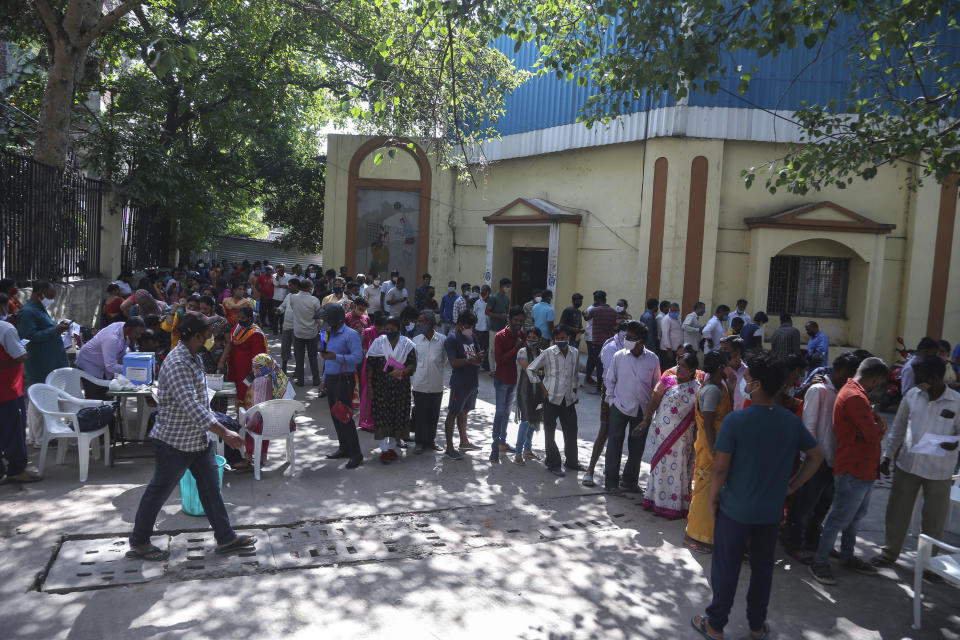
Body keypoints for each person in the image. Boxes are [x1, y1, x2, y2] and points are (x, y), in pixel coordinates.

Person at [692, 352, 823, 640]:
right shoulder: (790, 422)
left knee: (726, 569)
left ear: (758, 384)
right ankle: (756, 626)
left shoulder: (737, 422)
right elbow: (815, 456)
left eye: (748, 380)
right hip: (770, 511)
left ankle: (715, 624)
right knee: (763, 571)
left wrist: (713, 499)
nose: (744, 383)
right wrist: (792, 485)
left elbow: (721, 469)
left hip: (734, 510)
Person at [128, 312, 256, 561]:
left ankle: (226, 537)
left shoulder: (194, 356)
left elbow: (200, 400)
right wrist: (226, 432)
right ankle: (139, 541)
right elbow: (193, 408)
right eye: (208, 334)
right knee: (158, 492)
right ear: (196, 336)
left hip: (197, 440)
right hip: (174, 442)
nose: (212, 338)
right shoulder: (178, 363)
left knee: (211, 489)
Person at [872, 355, 960, 572]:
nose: (916, 380)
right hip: (908, 465)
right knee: (897, 512)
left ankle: (929, 564)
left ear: (935, 377)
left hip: (939, 470)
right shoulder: (912, 395)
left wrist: (956, 443)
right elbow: (899, 428)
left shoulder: (957, 402)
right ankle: (890, 553)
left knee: (933, 519)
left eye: (921, 376)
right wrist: (887, 456)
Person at [808, 357, 889, 585]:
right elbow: (874, 432)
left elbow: (873, 429)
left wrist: (874, 427)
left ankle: (847, 555)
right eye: (878, 382)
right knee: (839, 518)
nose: (877, 387)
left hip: (864, 468)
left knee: (854, 517)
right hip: (853, 467)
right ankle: (820, 561)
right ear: (874, 379)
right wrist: (876, 428)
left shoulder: (855, 393)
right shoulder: (855, 396)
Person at [783, 352, 859, 561]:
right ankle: (795, 542)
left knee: (822, 507)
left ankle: (813, 541)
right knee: (805, 506)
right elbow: (808, 427)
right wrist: (813, 458)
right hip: (816, 460)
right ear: (844, 372)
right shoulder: (819, 390)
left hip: (834, 459)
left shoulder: (842, 392)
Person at [603, 321, 661, 493]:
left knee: (637, 448)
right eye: (626, 337)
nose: (626, 340)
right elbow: (610, 380)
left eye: (631, 338)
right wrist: (611, 400)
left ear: (641, 341)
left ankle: (630, 481)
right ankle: (611, 483)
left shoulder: (652, 359)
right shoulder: (619, 356)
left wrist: (650, 413)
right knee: (614, 444)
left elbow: (656, 385)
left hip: (641, 411)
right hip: (619, 407)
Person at [641, 352, 700, 518]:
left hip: (683, 440)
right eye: (678, 364)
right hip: (662, 435)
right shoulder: (667, 380)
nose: (679, 368)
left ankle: (675, 505)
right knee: (660, 467)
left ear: (692, 370)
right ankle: (654, 500)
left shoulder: (697, 388)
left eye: (683, 366)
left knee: (678, 470)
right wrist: (646, 419)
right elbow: (654, 400)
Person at [685, 350, 733, 554]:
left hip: (717, 445)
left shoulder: (717, 385)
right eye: (728, 364)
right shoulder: (712, 390)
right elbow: (708, 424)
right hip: (711, 447)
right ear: (721, 367)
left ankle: (709, 533)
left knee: (710, 488)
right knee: (706, 490)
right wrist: (714, 452)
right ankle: (698, 536)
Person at [526, 325, 582, 477]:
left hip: (568, 399)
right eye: (557, 339)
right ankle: (553, 463)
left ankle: (571, 461)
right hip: (551, 398)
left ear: (568, 338)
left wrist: (574, 393)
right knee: (549, 432)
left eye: (563, 338)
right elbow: (530, 369)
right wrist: (543, 389)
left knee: (571, 431)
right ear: (553, 339)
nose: (560, 341)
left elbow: (575, 375)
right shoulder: (548, 353)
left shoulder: (575, 353)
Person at [315, 303, 364, 467]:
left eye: (326, 319)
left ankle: (356, 454)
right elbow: (325, 358)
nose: (323, 322)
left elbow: (357, 358)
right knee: (336, 415)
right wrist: (323, 379)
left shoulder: (351, 335)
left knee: (345, 416)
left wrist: (336, 356)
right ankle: (344, 448)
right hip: (331, 378)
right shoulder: (326, 334)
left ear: (335, 319)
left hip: (345, 379)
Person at [230, 353, 296, 473]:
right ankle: (263, 456)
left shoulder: (259, 381)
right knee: (265, 419)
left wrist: (247, 416)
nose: (253, 370)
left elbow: (257, 406)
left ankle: (248, 457)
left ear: (264, 367)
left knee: (250, 421)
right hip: (284, 422)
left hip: (265, 423)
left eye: (256, 367)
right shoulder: (282, 378)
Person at [582, 321, 628, 487]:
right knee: (604, 431)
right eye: (626, 334)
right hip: (611, 394)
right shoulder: (611, 348)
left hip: (628, 396)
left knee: (619, 435)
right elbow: (611, 377)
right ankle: (590, 470)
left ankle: (614, 472)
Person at [366, 316, 417, 464]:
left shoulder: (407, 344)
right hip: (381, 388)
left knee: (398, 416)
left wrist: (402, 372)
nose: (389, 332)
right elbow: (370, 366)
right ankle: (384, 450)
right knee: (382, 417)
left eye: (392, 330)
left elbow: (413, 364)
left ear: (399, 330)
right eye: (386, 329)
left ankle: (392, 448)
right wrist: (369, 386)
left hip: (401, 389)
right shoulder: (378, 343)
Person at [0, 292, 38, 482]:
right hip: (7, 389)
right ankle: (16, 470)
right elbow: (19, 355)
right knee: (14, 431)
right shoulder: (5, 328)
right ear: (2, 308)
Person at [443, 311, 483, 459]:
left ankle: (464, 441)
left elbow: (479, 358)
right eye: (467, 326)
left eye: (472, 326)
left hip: (472, 382)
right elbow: (453, 363)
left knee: (464, 412)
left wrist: (479, 358)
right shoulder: (452, 339)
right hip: (460, 383)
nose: (470, 329)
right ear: (459, 324)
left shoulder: (472, 336)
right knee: (453, 413)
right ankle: (449, 448)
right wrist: (470, 360)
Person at [75, 317, 146, 398]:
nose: (139, 336)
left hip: (103, 366)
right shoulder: (111, 338)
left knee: (108, 397)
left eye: (140, 333)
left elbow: (121, 354)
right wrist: (131, 369)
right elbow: (110, 366)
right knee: (95, 399)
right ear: (128, 329)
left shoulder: (125, 329)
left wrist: (136, 364)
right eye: (137, 333)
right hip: (89, 365)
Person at [18, 281, 71, 387]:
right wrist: (55, 330)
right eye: (50, 297)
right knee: (44, 398)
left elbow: (44, 328)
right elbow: (29, 337)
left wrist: (58, 327)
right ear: (39, 294)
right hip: (42, 365)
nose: (52, 300)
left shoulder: (39, 309)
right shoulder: (27, 312)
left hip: (53, 362)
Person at [492, 306, 525, 462]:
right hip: (502, 380)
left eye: (521, 320)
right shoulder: (500, 336)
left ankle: (502, 442)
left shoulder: (523, 335)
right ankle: (495, 445)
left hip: (515, 380)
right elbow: (499, 360)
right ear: (509, 319)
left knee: (506, 413)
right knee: (499, 412)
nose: (518, 323)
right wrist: (515, 348)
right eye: (516, 320)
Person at [411, 311, 446, 454]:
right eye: (418, 321)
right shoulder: (416, 340)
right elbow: (413, 361)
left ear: (430, 324)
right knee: (420, 414)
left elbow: (446, 359)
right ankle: (419, 442)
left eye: (421, 322)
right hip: (419, 383)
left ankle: (430, 440)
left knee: (433, 414)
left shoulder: (443, 340)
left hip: (436, 384)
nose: (418, 324)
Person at [221, 307, 268, 408]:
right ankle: (240, 416)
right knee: (238, 394)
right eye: (239, 317)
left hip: (248, 371)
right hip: (236, 369)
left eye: (243, 318)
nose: (240, 320)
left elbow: (258, 357)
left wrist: (254, 373)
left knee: (247, 394)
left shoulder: (255, 334)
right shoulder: (237, 328)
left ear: (250, 319)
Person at [514, 328, 544, 464]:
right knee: (526, 421)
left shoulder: (542, 353)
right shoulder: (522, 352)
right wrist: (540, 371)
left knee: (534, 420)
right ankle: (518, 453)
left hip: (538, 393)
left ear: (539, 339)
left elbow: (545, 372)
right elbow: (529, 371)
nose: (531, 339)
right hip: (524, 392)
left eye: (534, 337)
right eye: (529, 337)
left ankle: (528, 449)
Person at [287, 278, 323, 387]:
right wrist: (320, 325)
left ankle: (300, 381)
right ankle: (316, 380)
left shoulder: (293, 298)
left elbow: (294, 309)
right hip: (311, 333)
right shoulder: (314, 300)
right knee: (313, 357)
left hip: (298, 332)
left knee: (299, 357)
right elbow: (319, 317)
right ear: (310, 288)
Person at [359, 312, 386, 432]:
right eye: (379, 327)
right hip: (369, 365)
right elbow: (358, 345)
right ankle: (366, 422)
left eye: (383, 327)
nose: (381, 330)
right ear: (375, 324)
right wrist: (363, 350)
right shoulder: (367, 332)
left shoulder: (386, 333)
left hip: (382, 365)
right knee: (368, 392)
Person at [585, 290, 617, 390]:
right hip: (610, 342)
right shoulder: (613, 311)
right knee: (608, 364)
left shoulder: (594, 310)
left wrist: (583, 313)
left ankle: (599, 386)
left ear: (597, 300)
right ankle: (607, 386)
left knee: (599, 364)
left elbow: (586, 318)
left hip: (597, 342)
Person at [485, 278, 512, 371]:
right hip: (494, 327)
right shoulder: (493, 298)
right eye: (507, 286)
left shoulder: (507, 298)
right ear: (502, 286)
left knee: (503, 349)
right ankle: (492, 369)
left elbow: (507, 312)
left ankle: (500, 368)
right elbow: (487, 312)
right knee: (492, 349)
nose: (508, 288)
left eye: (509, 287)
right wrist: (498, 315)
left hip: (503, 328)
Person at [719, 335, 748, 411]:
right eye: (721, 350)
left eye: (726, 350)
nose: (723, 355)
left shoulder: (749, 374)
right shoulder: (717, 373)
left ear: (738, 352)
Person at [659, 302, 683, 367]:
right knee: (667, 368)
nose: (674, 312)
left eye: (676, 310)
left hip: (676, 349)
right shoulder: (666, 319)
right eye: (672, 310)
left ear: (679, 310)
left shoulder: (679, 318)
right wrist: (669, 350)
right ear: (669, 310)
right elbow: (665, 335)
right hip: (668, 350)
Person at [473, 285, 491, 371]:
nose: (482, 292)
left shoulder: (491, 302)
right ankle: (477, 363)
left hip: (488, 329)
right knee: (479, 347)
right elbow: (474, 314)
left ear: (488, 292)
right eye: (482, 291)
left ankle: (486, 365)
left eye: (484, 291)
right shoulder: (477, 302)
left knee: (487, 348)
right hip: (478, 328)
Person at [270, 264, 291, 334]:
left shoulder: (288, 276)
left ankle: (282, 330)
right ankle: (275, 331)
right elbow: (275, 284)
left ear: (285, 269)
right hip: (276, 298)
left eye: (283, 268)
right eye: (280, 268)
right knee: (275, 316)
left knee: (283, 316)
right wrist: (277, 277)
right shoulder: (274, 276)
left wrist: (279, 286)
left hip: (285, 299)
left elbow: (288, 286)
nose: (281, 270)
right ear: (278, 269)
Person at [255, 265, 277, 332]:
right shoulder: (261, 276)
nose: (269, 271)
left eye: (270, 270)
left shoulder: (274, 277)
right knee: (263, 311)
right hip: (264, 297)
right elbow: (257, 285)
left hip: (272, 298)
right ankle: (262, 324)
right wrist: (262, 293)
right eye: (267, 270)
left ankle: (271, 324)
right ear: (265, 270)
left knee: (271, 312)